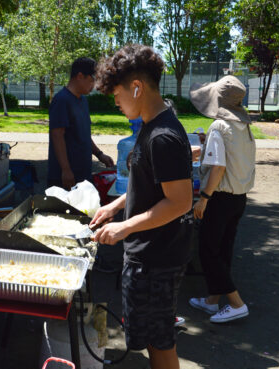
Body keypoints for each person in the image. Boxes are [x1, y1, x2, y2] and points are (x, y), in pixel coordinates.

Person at [91, 44, 194, 369]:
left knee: (159, 340)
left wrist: (125, 227)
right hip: (148, 254)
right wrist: (116, 207)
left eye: (118, 96)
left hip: (156, 258)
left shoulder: (163, 135)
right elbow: (147, 185)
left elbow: (180, 202)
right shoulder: (151, 126)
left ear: (136, 88)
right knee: (152, 336)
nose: (116, 104)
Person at [188, 75, 255, 323]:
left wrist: (204, 198)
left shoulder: (219, 126)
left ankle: (236, 303)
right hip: (239, 198)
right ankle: (213, 300)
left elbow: (217, 167)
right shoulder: (242, 125)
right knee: (223, 248)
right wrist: (208, 146)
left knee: (207, 250)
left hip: (219, 198)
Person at [48, 57, 114, 189]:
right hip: (65, 177)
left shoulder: (82, 100)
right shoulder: (62, 100)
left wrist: (99, 154)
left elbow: (83, 134)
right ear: (80, 76)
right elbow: (57, 136)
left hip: (82, 174)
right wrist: (66, 170)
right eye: (92, 80)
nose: (94, 86)